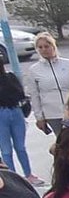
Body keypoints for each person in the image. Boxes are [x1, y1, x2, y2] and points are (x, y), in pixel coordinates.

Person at [27, 32, 69, 138]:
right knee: (62, 140)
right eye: (40, 47)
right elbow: (35, 96)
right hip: (53, 114)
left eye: (46, 46)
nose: (44, 49)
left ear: (53, 46)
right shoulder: (34, 70)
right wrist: (39, 117)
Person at [0, 56, 37, 185]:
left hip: (16, 111)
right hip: (2, 113)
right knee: (6, 150)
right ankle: (12, 177)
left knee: (20, 147)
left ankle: (28, 174)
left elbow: (20, 93)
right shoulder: (10, 78)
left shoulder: (10, 77)